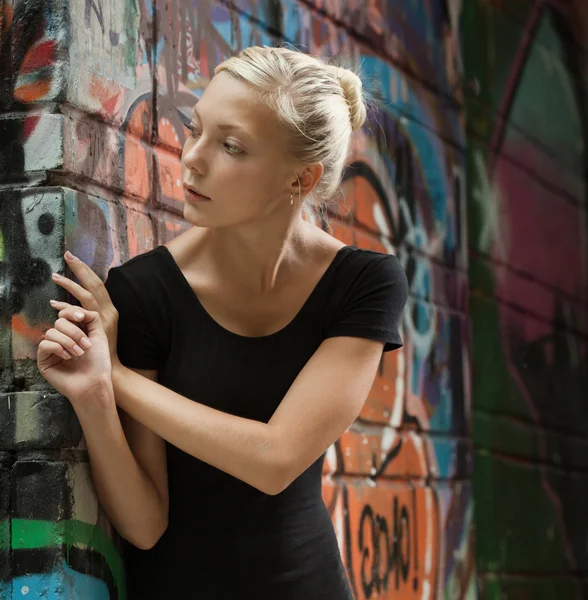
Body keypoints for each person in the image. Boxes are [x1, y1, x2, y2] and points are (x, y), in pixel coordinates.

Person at [37, 46, 408, 599]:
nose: (193, 159)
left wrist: (119, 379)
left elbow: (277, 458)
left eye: (231, 146)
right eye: (195, 129)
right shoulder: (144, 293)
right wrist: (95, 392)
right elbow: (144, 524)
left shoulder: (363, 284)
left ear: (301, 180)